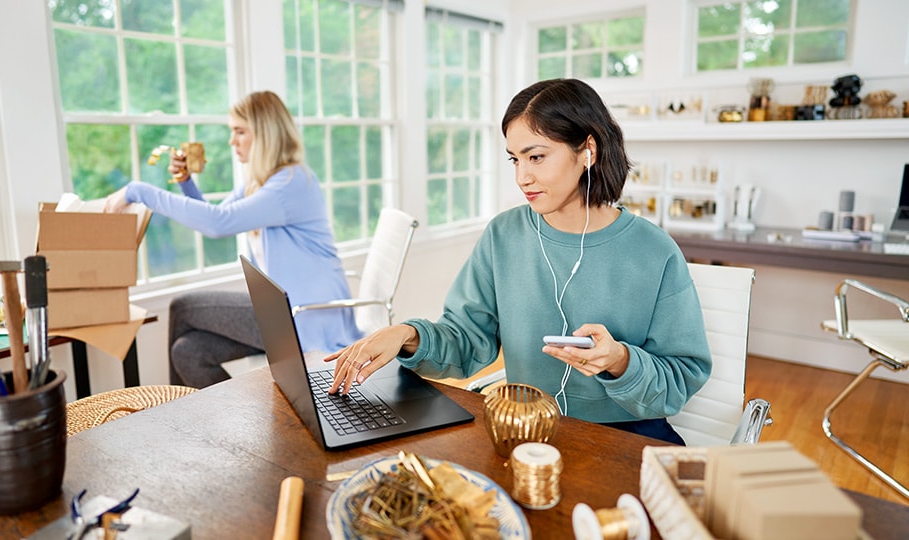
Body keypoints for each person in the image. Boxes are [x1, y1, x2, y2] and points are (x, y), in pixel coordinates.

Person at [324, 79, 711, 445]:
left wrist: (620, 360)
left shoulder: (654, 251)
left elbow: (679, 381)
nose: (523, 177)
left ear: (587, 150)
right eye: (514, 160)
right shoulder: (503, 235)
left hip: (627, 437)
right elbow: (466, 340)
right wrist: (405, 336)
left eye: (537, 157)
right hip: (525, 430)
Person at [105, 90, 362, 388]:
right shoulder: (260, 182)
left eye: (240, 132)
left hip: (302, 317)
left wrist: (139, 190)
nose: (232, 141)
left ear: (266, 134)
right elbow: (218, 215)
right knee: (189, 352)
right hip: (281, 309)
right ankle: (224, 414)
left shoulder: (290, 183)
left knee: (183, 307)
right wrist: (187, 183)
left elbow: (218, 224)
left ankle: (174, 411)